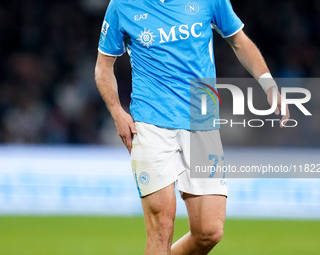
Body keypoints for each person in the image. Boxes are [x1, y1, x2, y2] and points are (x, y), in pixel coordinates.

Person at [95, 0, 289, 254]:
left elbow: (239, 41)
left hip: (201, 120)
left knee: (209, 231)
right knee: (161, 227)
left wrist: (268, 84)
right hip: (151, 122)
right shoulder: (123, 5)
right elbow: (103, 66)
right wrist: (117, 112)